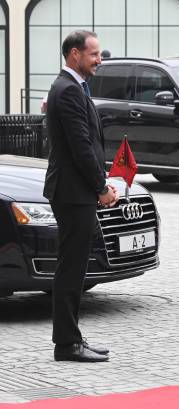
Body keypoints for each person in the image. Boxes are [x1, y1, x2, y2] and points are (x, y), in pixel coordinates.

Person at [44, 30, 119, 362]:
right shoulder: (69, 90)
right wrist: (101, 188)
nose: (99, 60)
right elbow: (81, 148)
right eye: (94, 55)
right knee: (71, 268)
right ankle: (67, 344)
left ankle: (71, 338)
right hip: (73, 193)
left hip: (75, 191)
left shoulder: (72, 87)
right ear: (75, 54)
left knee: (73, 267)